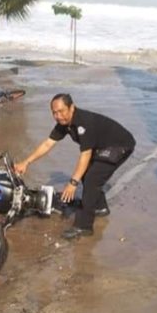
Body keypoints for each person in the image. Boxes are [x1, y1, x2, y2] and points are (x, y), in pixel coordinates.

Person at [14, 94, 136, 240]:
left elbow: (85, 155)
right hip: (103, 146)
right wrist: (26, 162)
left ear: (72, 107)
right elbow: (48, 144)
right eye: (54, 112)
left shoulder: (83, 123)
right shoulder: (63, 124)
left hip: (120, 145)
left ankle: (84, 227)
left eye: (61, 111)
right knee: (87, 174)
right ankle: (100, 207)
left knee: (91, 179)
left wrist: (72, 183)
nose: (58, 116)